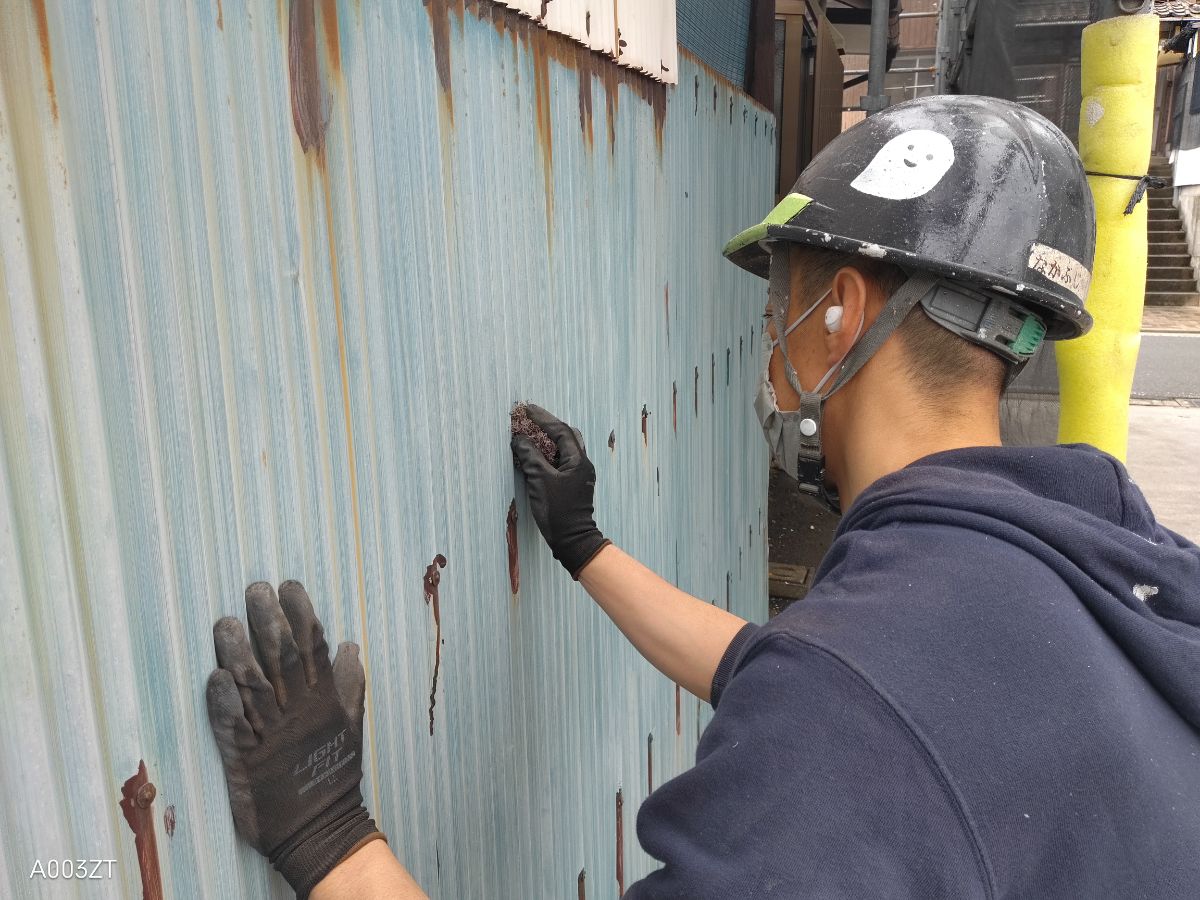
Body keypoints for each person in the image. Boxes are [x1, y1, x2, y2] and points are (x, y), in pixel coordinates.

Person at [205, 95, 1200, 898]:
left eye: (781, 300)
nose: (771, 336)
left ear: (841, 313)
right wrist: (586, 546)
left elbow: (846, 703)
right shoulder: (1111, 565)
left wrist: (330, 837)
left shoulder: (852, 714)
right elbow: (800, 673)